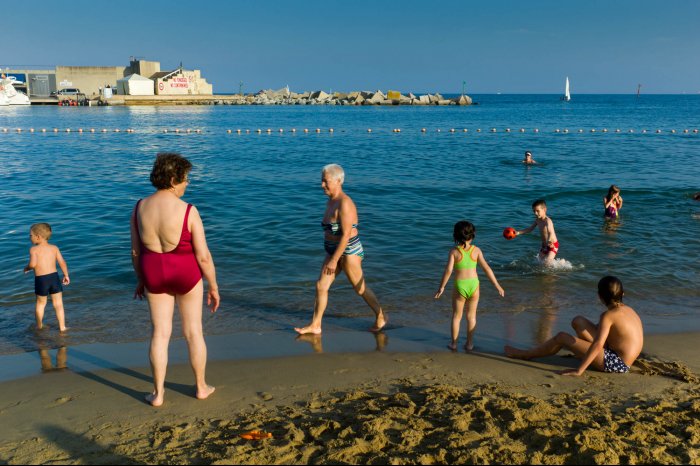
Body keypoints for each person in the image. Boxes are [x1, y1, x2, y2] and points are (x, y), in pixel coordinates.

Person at [130, 152, 220, 407]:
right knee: (193, 332)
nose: (187, 183)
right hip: (185, 273)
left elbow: (135, 251)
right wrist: (213, 286)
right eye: (185, 179)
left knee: (160, 334)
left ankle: (158, 394)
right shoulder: (188, 210)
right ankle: (201, 387)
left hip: (152, 274)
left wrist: (141, 279)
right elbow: (203, 256)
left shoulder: (139, 207)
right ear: (172, 179)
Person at [294, 164, 387, 335]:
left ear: (338, 181)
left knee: (360, 288)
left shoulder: (345, 203)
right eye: (322, 181)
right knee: (321, 286)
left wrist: (334, 260)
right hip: (333, 251)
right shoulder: (331, 201)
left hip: (348, 250)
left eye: (325, 181)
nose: (322, 185)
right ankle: (316, 325)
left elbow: (345, 236)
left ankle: (381, 316)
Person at [505, 276, 643, 375]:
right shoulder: (629, 310)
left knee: (562, 337)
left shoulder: (608, 316)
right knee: (578, 321)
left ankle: (526, 354)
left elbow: (598, 345)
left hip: (618, 363)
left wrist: (579, 370)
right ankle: (584, 354)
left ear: (599, 296)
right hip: (621, 356)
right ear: (622, 294)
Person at [434, 221, 505, 351]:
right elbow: (487, 268)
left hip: (460, 286)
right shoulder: (476, 250)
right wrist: (497, 285)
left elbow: (449, 271)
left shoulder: (454, 252)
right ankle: (469, 344)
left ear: (455, 236)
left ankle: (454, 344)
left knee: (456, 316)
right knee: (471, 317)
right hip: (474, 286)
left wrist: (441, 287)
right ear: (473, 235)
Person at [23, 223, 70, 332]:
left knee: (41, 303)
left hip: (41, 280)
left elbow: (32, 264)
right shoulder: (54, 248)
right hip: (54, 278)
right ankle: (62, 327)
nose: (29, 237)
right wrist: (66, 275)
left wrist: (26, 268)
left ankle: (39, 326)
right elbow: (62, 262)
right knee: (58, 304)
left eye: (30, 235)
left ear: (38, 236)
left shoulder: (33, 250)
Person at [514, 199, 559, 265]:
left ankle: (555, 270)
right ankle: (557, 264)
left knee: (547, 263)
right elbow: (530, 229)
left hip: (552, 245)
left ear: (544, 209)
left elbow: (550, 232)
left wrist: (549, 241)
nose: (535, 213)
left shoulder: (548, 221)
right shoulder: (538, 220)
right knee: (539, 262)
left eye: (537, 211)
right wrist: (518, 233)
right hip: (544, 246)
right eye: (534, 211)